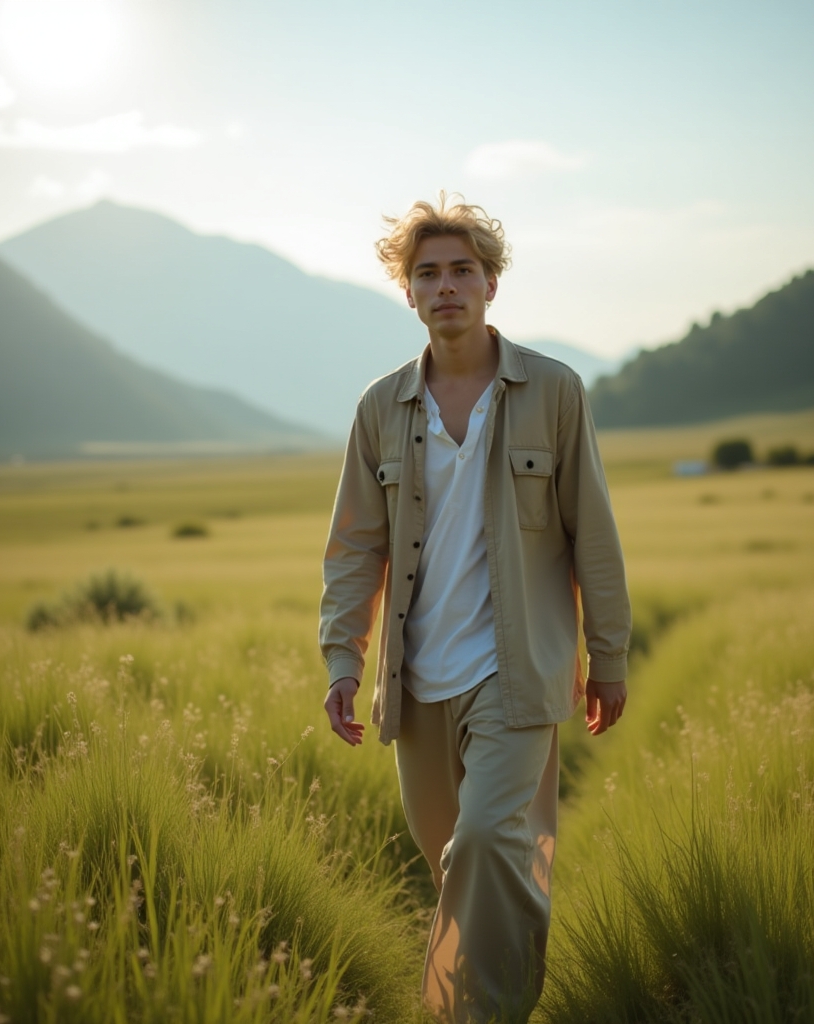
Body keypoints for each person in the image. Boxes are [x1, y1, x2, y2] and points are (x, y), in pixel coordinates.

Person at [319, 193, 631, 1023]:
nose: (445, 285)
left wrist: (611, 655)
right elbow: (355, 546)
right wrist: (343, 658)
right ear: (409, 293)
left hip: (518, 666)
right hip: (416, 681)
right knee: (459, 867)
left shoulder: (553, 391)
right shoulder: (379, 408)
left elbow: (591, 532)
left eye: (462, 270)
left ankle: (475, 1017)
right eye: (428, 273)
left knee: (488, 844)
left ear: (491, 284)